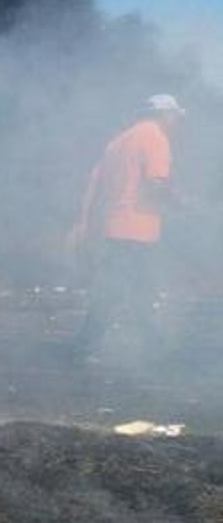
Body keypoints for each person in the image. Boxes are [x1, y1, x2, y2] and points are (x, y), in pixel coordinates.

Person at [70, 93, 186, 364]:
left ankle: (92, 344)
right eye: (174, 116)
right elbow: (157, 183)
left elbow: (95, 184)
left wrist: (86, 223)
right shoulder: (155, 136)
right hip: (139, 228)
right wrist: (180, 202)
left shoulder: (118, 141)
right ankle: (152, 347)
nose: (176, 122)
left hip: (115, 226)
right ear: (163, 114)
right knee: (135, 290)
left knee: (123, 289)